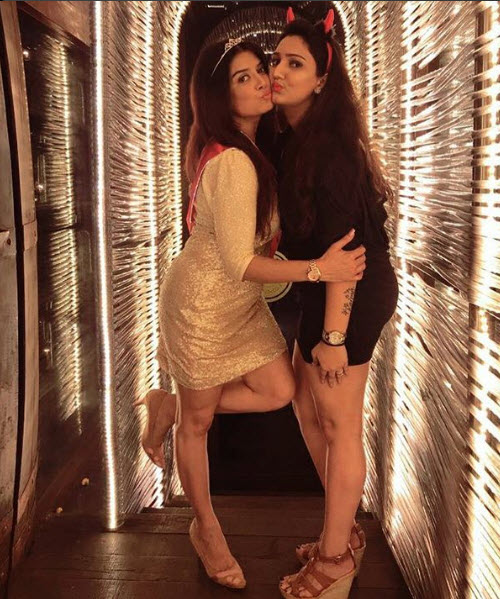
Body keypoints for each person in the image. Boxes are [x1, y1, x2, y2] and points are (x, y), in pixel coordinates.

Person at [133, 38, 367, 590]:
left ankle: (172, 405)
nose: (264, 79)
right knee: (199, 425)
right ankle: (206, 527)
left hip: (238, 305)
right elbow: (241, 263)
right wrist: (322, 270)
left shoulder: (251, 147)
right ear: (220, 96)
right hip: (203, 306)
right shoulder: (235, 160)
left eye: (262, 69)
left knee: (280, 389)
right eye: (244, 77)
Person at [271, 8, 399, 599]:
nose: (278, 71)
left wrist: (335, 339)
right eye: (276, 60)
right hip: (324, 290)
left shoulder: (331, 150)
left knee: (339, 422)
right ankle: (340, 532)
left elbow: (348, 254)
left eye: (295, 64)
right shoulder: (294, 140)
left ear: (322, 80)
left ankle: (335, 561)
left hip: (353, 296)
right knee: (306, 404)